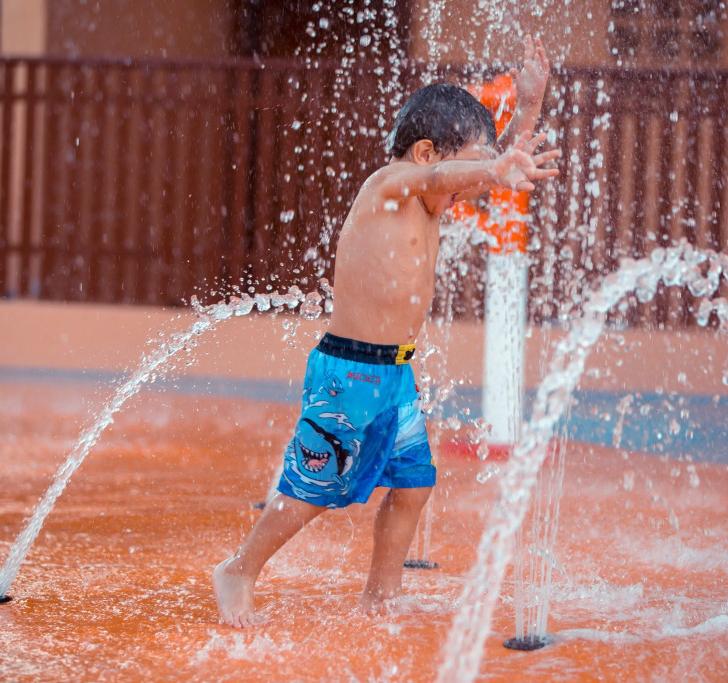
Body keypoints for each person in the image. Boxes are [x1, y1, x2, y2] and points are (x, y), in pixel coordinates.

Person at [214, 36, 558, 628]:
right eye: (468, 166)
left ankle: (381, 593)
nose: (471, 187)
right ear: (425, 153)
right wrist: (487, 165)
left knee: (413, 485)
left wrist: (526, 112)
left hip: (394, 375)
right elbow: (453, 173)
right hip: (348, 371)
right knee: (310, 490)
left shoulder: (431, 198)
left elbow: (482, 174)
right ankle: (239, 570)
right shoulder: (390, 184)